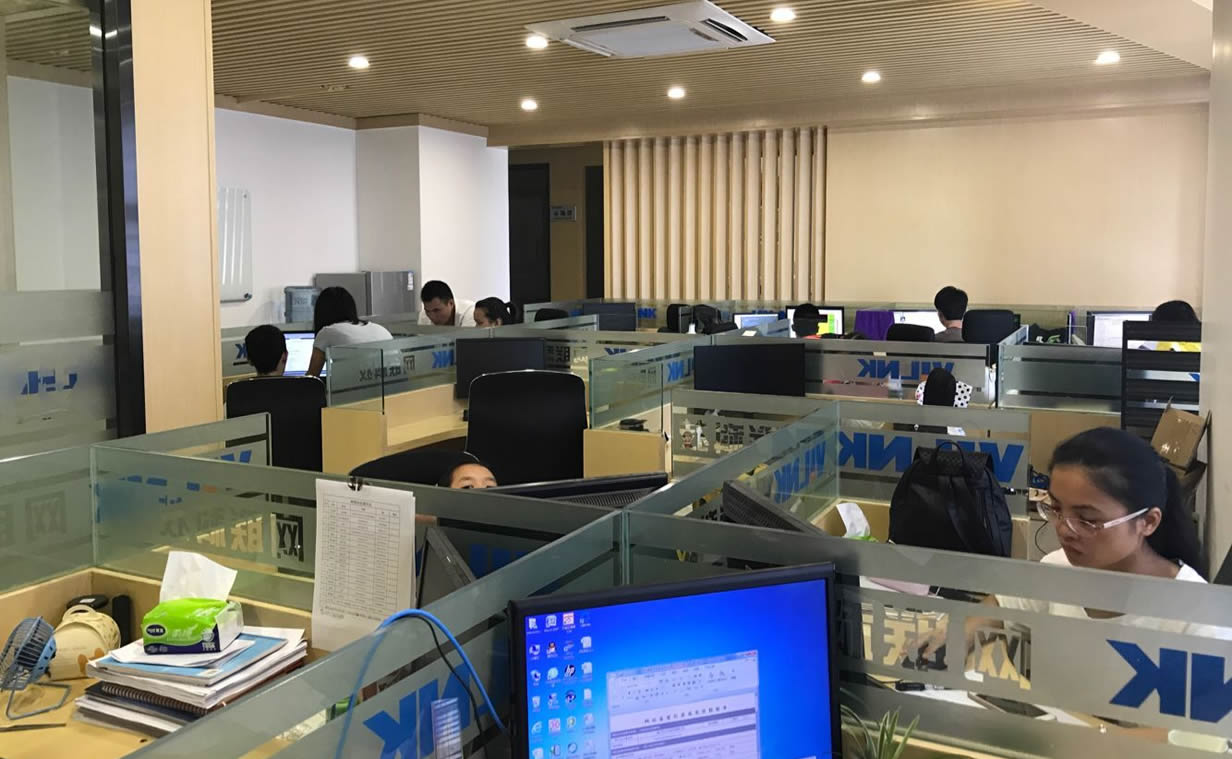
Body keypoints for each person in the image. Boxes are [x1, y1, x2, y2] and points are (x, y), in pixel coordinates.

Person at [915, 427, 1228, 660]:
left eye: (1087, 519)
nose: (1065, 529)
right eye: (1056, 508)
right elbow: (1002, 605)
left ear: (1148, 522)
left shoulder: (1199, 620)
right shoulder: (1059, 569)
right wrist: (960, 631)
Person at [305, 286, 393, 377]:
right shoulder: (381, 329)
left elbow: (311, 378)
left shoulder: (327, 332)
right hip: (396, 385)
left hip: (358, 384)